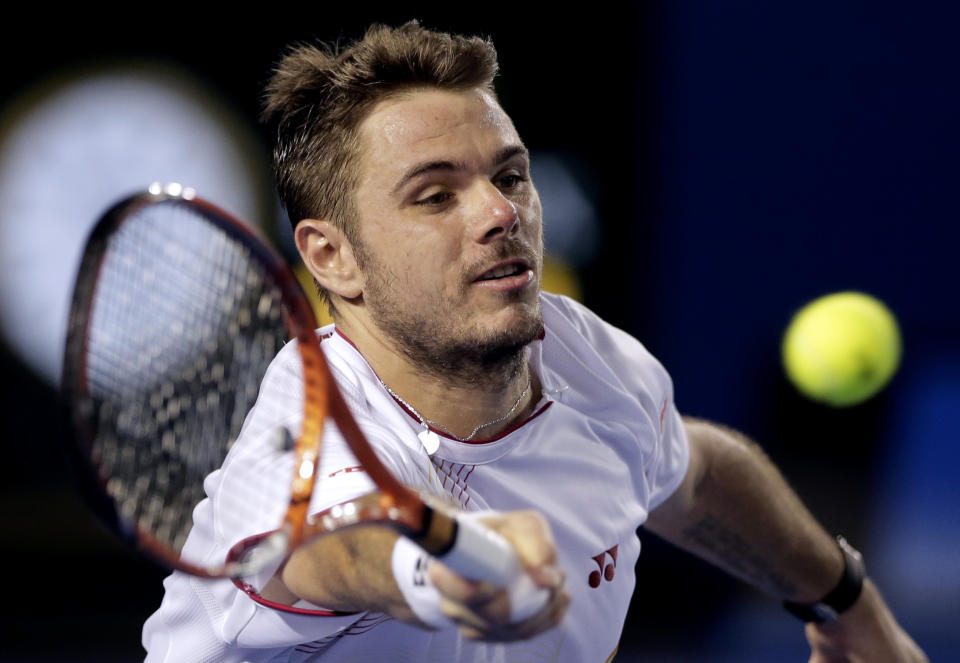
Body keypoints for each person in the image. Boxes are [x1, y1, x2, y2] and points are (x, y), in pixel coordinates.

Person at [142, 21, 927, 662]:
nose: (497, 213)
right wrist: (442, 560)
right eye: (436, 194)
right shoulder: (299, 442)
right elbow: (328, 547)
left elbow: (699, 475)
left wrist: (845, 604)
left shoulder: (588, 358)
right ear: (331, 257)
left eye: (509, 177)